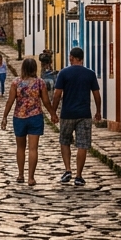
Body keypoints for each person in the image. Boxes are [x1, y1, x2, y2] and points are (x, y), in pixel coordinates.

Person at [51, 46, 102, 186]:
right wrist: (98, 111)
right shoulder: (90, 74)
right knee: (82, 145)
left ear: (71, 58)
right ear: (82, 58)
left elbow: (57, 95)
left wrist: (53, 112)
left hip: (67, 114)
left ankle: (68, 169)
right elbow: (97, 95)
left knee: (65, 141)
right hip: (84, 114)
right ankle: (79, 176)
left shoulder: (64, 73)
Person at [1, 57, 55, 186]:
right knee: (33, 148)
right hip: (35, 117)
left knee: (20, 147)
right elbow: (46, 101)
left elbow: (10, 101)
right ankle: (31, 177)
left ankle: (20, 174)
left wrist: (4, 117)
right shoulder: (40, 83)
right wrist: (52, 113)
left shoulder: (16, 83)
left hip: (19, 117)